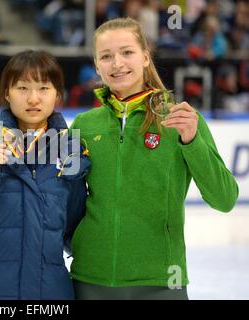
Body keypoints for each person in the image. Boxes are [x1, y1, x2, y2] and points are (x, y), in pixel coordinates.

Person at [69, 17, 239, 300]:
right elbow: (63, 198)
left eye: (127, 52)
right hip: (89, 280)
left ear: (146, 57)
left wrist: (191, 141)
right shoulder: (85, 124)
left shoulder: (181, 120)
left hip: (161, 283)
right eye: (106, 56)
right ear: (97, 66)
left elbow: (224, 199)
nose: (117, 63)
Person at [0, 50, 91, 300]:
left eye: (44, 88)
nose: (33, 98)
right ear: (6, 93)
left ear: (57, 95)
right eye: (22, 88)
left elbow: (73, 232)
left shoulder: (71, 152)